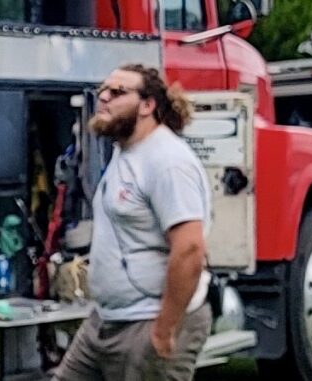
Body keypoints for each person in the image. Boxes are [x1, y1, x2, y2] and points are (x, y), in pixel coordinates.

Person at [53, 63, 213, 381]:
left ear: (147, 105)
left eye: (117, 92)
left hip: (150, 321)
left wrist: (164, 329)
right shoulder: (126, 152)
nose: (104, 98)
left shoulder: (168, 161)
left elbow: (190, 250)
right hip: (105, 319)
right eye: (102, 91)